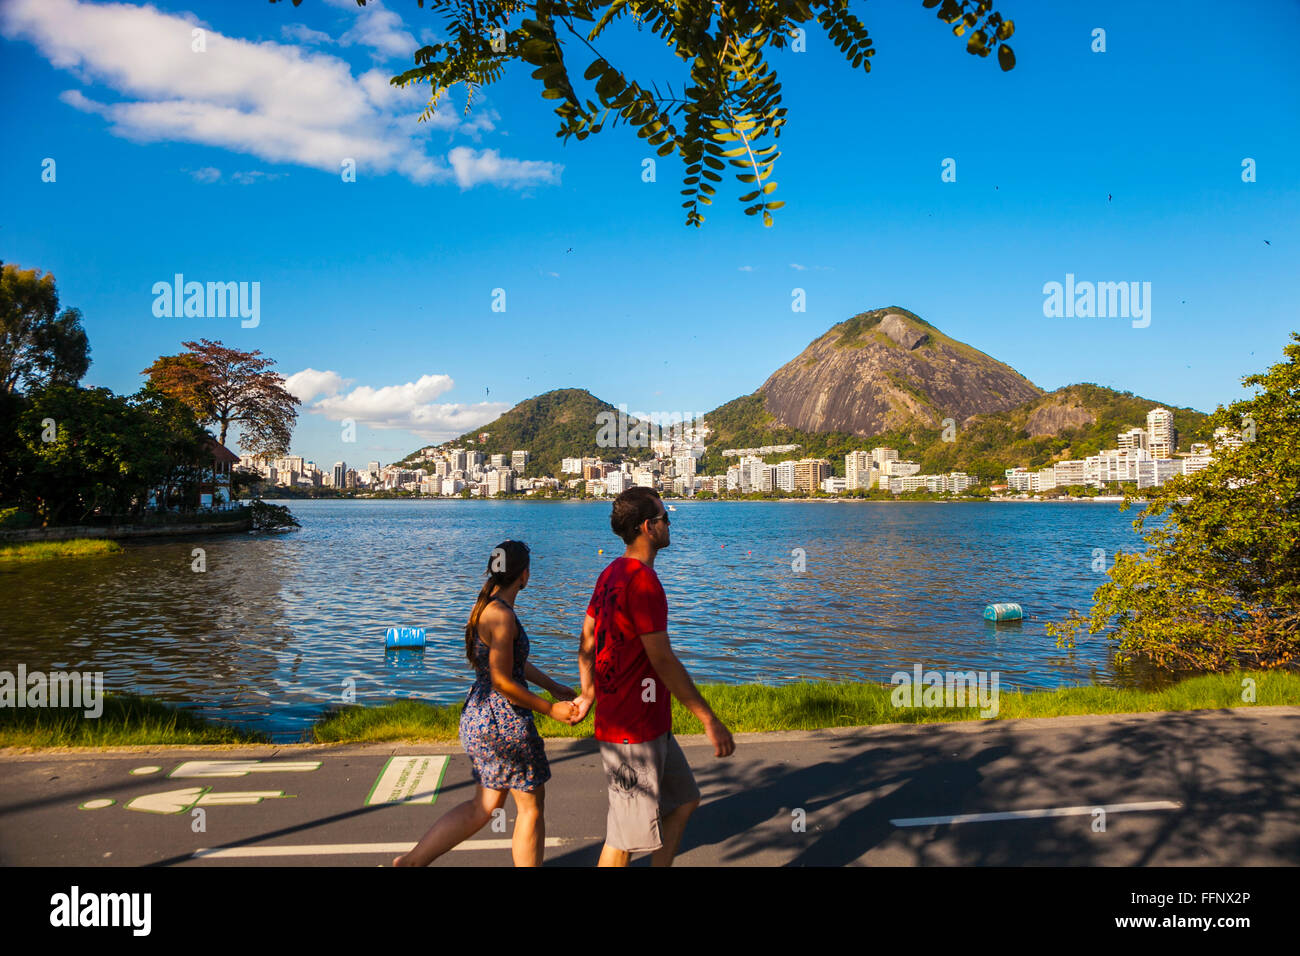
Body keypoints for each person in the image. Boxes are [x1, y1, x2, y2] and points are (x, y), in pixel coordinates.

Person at [570, 488, 735, 867]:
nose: (669, 524)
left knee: (686, 800)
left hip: (649, 725)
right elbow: (662, 659)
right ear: (648, 527)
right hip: (632, 731)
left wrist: (589, 691)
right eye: (664, 518)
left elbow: (587, 638)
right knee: (623, 840)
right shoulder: (642, 582)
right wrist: (708, 719)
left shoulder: (611, 572)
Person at [394, 540, 580, 867]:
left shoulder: (487, 606)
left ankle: (411, 862)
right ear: (524, 575)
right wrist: (551, 710)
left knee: (485, 806)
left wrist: (552, 687)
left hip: (481, 717)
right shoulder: (502, 616)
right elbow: (502, 680)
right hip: (504, 723)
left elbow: (511, 664)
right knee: (530, 808)